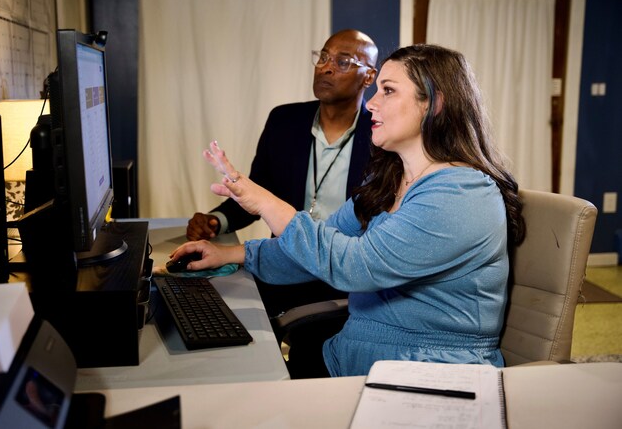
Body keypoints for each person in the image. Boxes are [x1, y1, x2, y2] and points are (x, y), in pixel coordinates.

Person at [172, 44, 526, 377]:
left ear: (434, 104)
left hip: (427, 372)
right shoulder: (388, 181)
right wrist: (229, 254)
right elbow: (319, 244)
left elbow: (355, 266)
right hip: (353, 357)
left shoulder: (461, 193)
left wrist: (265, 202)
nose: (370, 104)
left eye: (388, 91)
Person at [186, 29, 379, 318]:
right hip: (283, 265)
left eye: (342, 62)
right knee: (216, 313)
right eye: (323, 57)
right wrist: (217, 221)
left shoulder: (382, 137)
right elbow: (260, 192)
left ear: (368, 77)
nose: (326, 66)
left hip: (343, 279)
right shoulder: (284, 121)